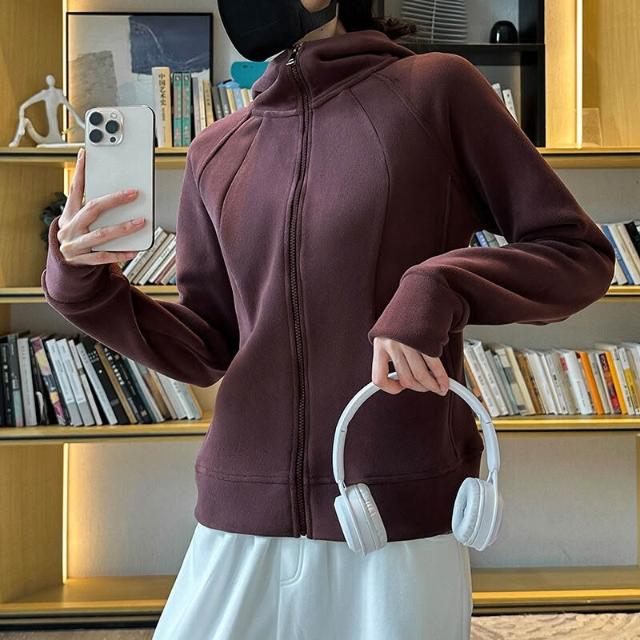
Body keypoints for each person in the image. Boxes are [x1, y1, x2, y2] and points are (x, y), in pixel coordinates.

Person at [41, 1, 616, 639]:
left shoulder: (436, 89)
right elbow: (207, 346)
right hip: (241, 509)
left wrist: (439, 285)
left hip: (393, 512)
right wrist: (80, 281)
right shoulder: (215, 150)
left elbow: (578, 255)